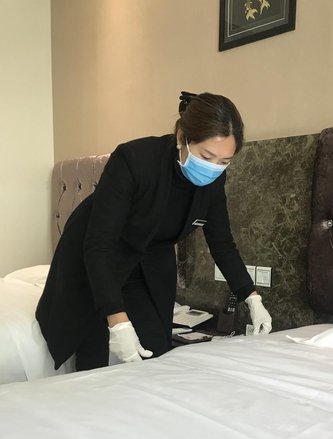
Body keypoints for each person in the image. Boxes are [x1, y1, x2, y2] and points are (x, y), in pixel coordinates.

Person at [36, 91, 272, 372]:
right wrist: (117, 320)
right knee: (93, 349)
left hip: (150, 256)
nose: (213, 168)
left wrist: (251, 296)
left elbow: (221, 243)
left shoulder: (213, 180)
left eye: (224, 161)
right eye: (207, 156)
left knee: (156, 347)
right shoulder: (134, 160)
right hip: (98, 252)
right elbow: (100, 245)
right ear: (182, 137)